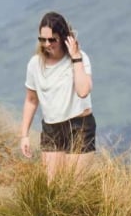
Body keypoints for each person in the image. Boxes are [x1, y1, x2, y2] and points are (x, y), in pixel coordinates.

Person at [18, 11, 95, 179]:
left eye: (52, 39)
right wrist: (24, 135)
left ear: (63, 38)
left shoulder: (81, 59)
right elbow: (31, 100)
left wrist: (75, 57)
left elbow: (83, 91)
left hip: (79, 126)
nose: (47, 44)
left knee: (75, 185)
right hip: (51, 128)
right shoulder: (34, 64)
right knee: (52, 186)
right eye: (42, 39)